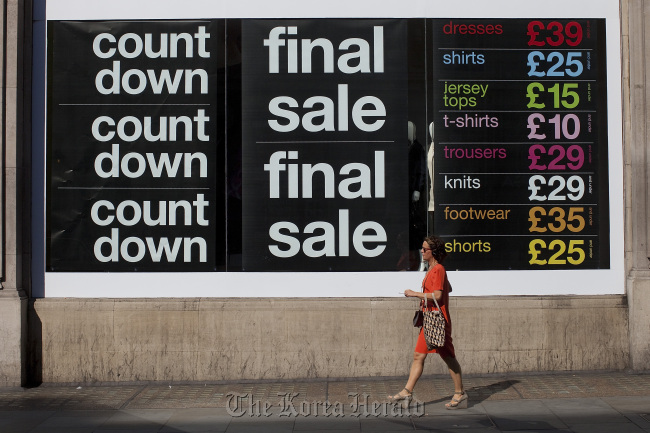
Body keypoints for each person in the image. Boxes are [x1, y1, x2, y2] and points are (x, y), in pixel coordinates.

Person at [389, 236, 467, 409]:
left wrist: (415, 293)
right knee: (418, 355)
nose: (422, 251)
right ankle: (407, 391)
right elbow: (447, 288)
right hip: (428, 320)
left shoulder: (437, 268)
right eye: (422, 248)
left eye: (425, 249)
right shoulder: (433, 268)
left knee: (448, 357)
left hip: (438, 321)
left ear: (434, 252)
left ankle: (459, 393)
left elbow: (438, 295)